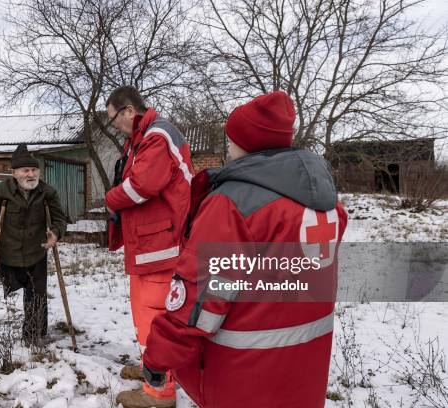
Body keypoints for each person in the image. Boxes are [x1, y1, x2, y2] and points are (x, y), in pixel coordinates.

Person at [142, 91, 349, 407]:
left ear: (246, 143)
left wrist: (158, 356)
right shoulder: (327, 205)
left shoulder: (234, 204)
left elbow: (209, 290)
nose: (227, 148)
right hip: (306, 373)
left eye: (230, 141)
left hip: (244, 378)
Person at [104, 86, 194, 408]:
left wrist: (109, 199)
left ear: (128, 110)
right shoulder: (142, 139)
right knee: (147, 315)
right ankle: (152, 369)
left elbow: (141, 185)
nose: (114, 125)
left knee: (152, 317)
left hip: (161, 246)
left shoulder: (156, 136)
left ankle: (158, 392)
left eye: (114, 118)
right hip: (152, 243)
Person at [0, 144, 67, 347]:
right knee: (17, 287)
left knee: (37, 293)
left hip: (37, 251)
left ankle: (33, 335)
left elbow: (60, 219)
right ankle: (30, 332)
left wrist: (56, 233)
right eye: (25, 170)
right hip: (9, 253)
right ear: (14, 173)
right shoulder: (0, 193)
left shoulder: (47, 192)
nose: (31, 174)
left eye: (34, 170)